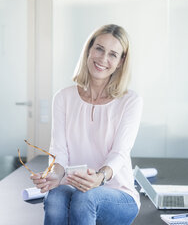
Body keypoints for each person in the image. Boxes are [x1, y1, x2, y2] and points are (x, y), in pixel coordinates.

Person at [31, 24, 143, 225]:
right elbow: (59, 150)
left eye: (113, 54)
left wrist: (100, 178)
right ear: (89, 49)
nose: (103, 59)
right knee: (54, 197)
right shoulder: (63, 98)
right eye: (99, 48)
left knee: (86, 197)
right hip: (72, 188)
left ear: (120, 62)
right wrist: (54, 176)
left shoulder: (130, 101)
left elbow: (119, 153)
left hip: (117, 193)